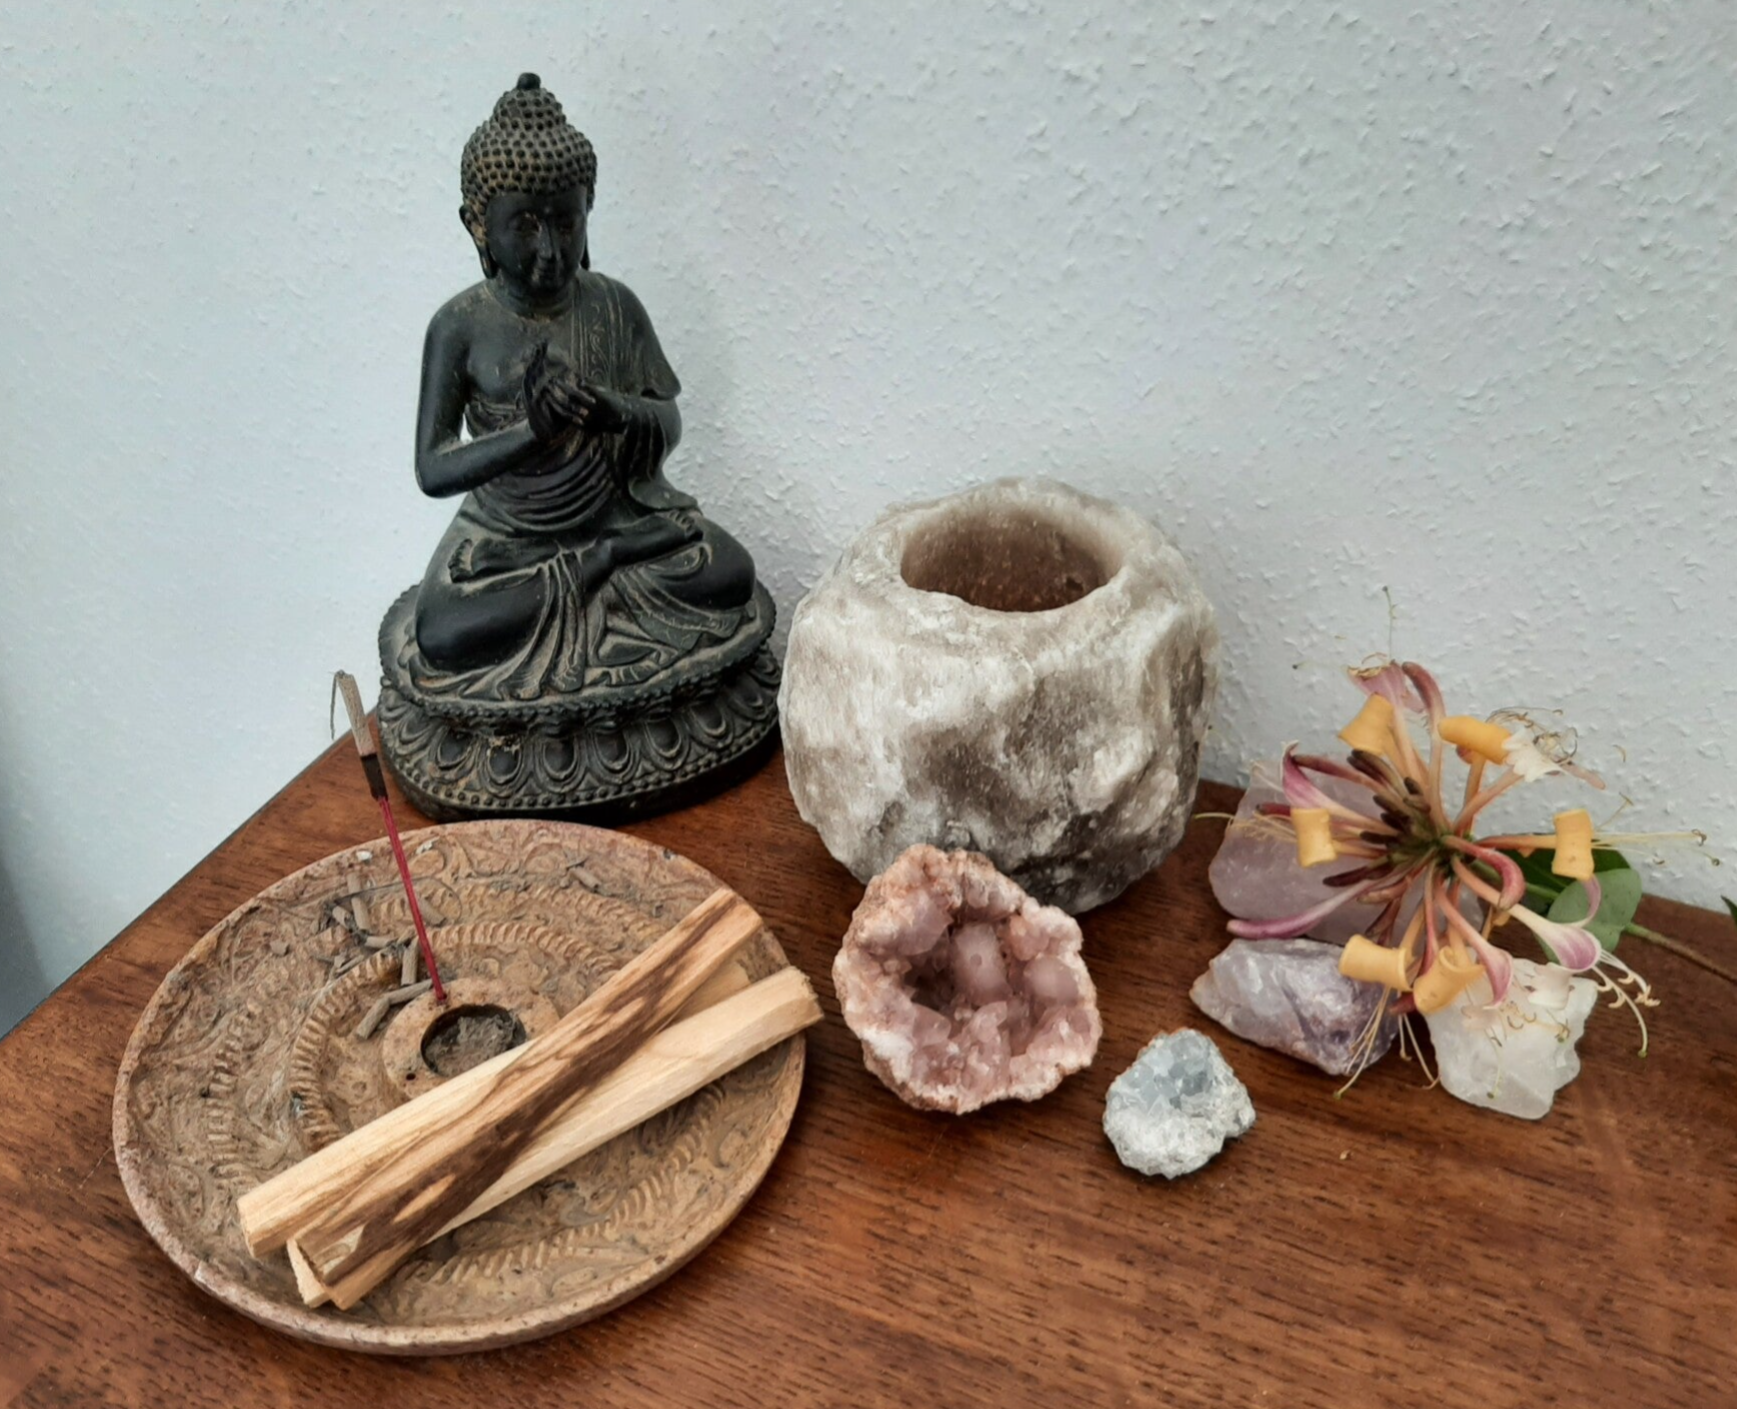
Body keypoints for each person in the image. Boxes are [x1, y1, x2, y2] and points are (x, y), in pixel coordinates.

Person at [407, 74, 757, 700]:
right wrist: (531, 434)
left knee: (728, 571)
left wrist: (614, 411)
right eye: (525, 227)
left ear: (587, 213)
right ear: (477, 226)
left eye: (566, 224)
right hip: (504, 534)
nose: (550, 250)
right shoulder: (458, 327)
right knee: (442, 632)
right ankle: (604, 562)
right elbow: (433, 469)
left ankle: (607, 558)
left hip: (612, 513)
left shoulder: (616, 306)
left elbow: (667, 419)